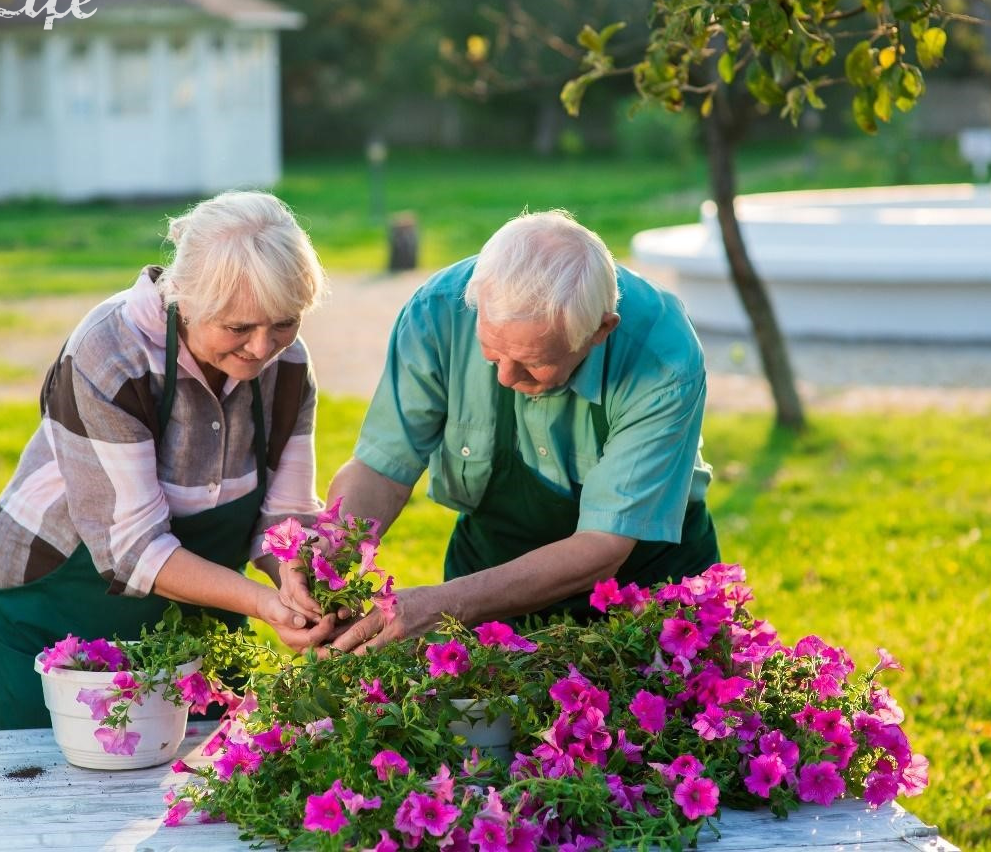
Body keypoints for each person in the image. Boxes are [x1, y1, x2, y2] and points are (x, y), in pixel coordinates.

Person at [282, 209, 719, 652]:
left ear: (601, 330)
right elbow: (382, 467)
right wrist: (329, 553)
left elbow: (604, 544)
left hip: (644, 588)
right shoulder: (439, 311)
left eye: (534, 362)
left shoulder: (662, 356)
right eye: (492, 353)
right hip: (491, 572)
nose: (506, 378)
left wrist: (443, 604)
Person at [0, 191, 334, 729]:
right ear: (183, 299)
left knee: (208, 786)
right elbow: (134, 548)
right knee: (47, 789)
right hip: (60, 598)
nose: (262, 349)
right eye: (238, 328)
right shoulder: (111, 352)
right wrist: (262, 603)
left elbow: (286, 516)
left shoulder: (288, 363)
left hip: (203, 603)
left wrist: (294, 579)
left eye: (283, 322)